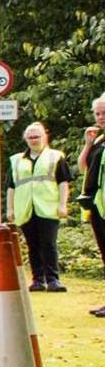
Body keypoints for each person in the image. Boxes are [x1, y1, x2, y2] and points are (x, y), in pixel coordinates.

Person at [7, 120, 71, 291]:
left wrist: (63, 204)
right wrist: (10, 209)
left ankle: (53, 279)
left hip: (48, 207)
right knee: (32, 244)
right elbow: (11, 186)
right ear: (25, 139)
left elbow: (63, 182)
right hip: (26, 208)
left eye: (37, 136)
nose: (34, 140)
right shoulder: (16, 160)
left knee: (48, 243)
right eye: (30, 137)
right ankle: (37, 279)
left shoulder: (55, 157)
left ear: (45, 137)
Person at [78, 96, 105, 315]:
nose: (100, 117)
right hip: (97, 204)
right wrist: (88, 144)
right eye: (97, 113)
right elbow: (82, 166)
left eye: (104, 113)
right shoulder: (99, 140)